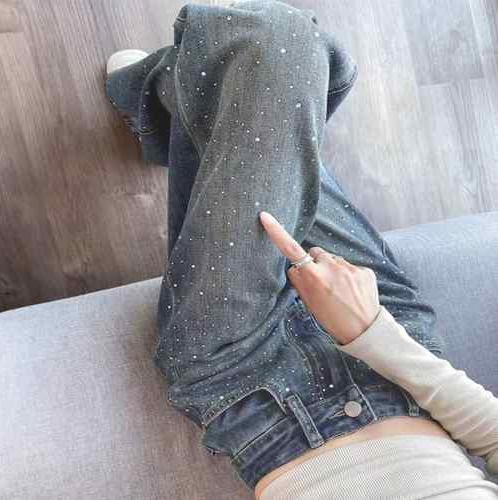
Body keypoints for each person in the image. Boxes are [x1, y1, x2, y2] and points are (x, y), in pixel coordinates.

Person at [104, 1, 498, 497]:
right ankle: (166, 106)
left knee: (278, 42)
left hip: (252, 391)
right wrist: (373, 333)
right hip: (399, 357)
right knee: (287, 61)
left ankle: (164, 96)